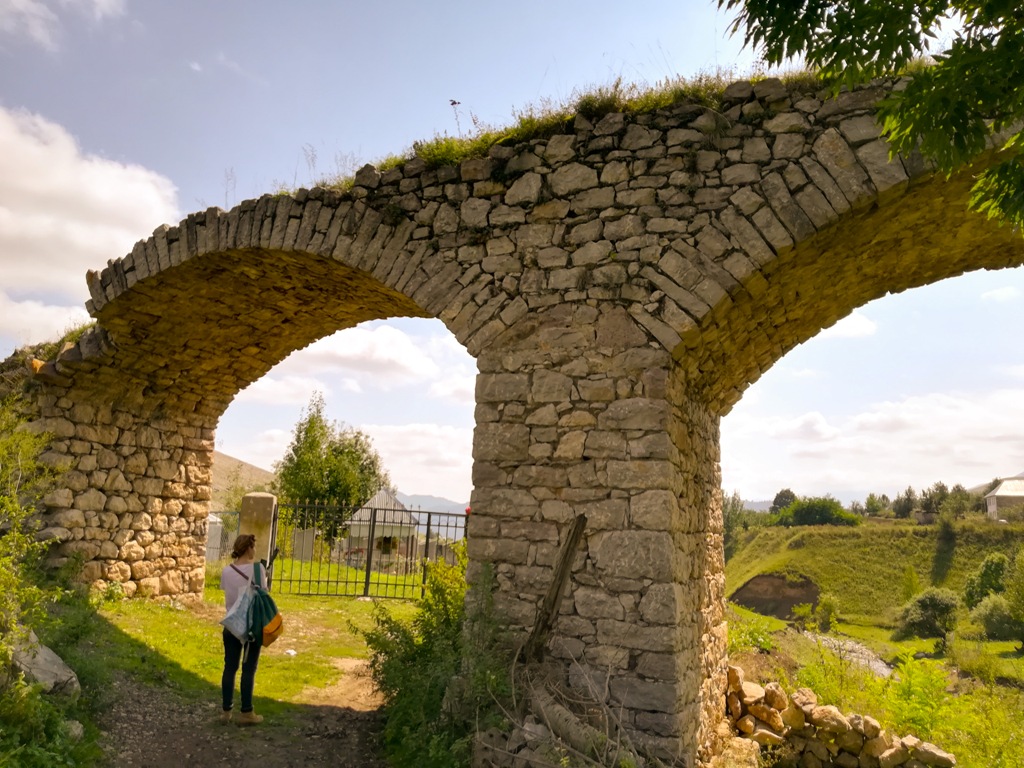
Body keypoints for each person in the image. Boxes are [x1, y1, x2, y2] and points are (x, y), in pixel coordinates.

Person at [220, 533, 264, 725]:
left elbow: (229, 595)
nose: (255, 550)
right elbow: (263, 593)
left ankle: (226, 711)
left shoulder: (226, 571)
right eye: (253, 547)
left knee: (230, 667)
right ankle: (246, 712)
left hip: (232, 622)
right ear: (248, 548)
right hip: (251, 624)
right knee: (248, 669)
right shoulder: (258, 569)